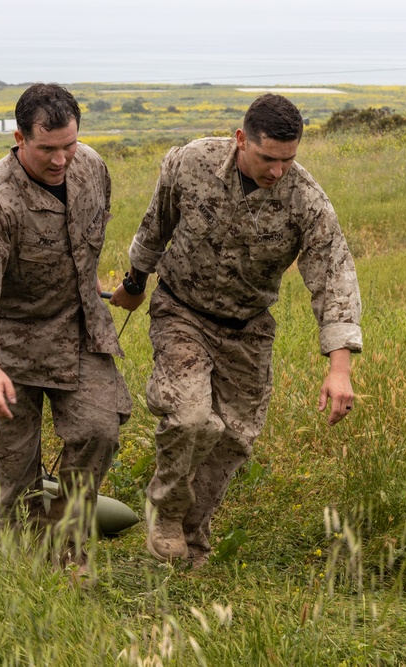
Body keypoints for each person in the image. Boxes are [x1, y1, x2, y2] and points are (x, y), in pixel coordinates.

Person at [110, 94, 363, 568]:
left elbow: (334, 277)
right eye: (268, 158)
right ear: (241, 139)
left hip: (247, 330)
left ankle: (192, 535)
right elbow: (155, 226)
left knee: (234, 440)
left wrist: (340, 367)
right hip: (181, 311)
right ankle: (165, 513)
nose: (278, 171)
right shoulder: (190, 162)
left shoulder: (305, 199)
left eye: (289, 159)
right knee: (189, 417)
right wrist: (134, 284)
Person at [0, 83, 131, 565]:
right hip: (9, 346)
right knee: (12, 472)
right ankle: (26, 563)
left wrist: (83, 282)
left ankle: (64, 544)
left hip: (77, 331)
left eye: (69, 145)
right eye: (47, 149)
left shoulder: (91, 168)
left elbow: (88, 238)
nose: (60, 160)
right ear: (19, 137)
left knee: (99, 431)